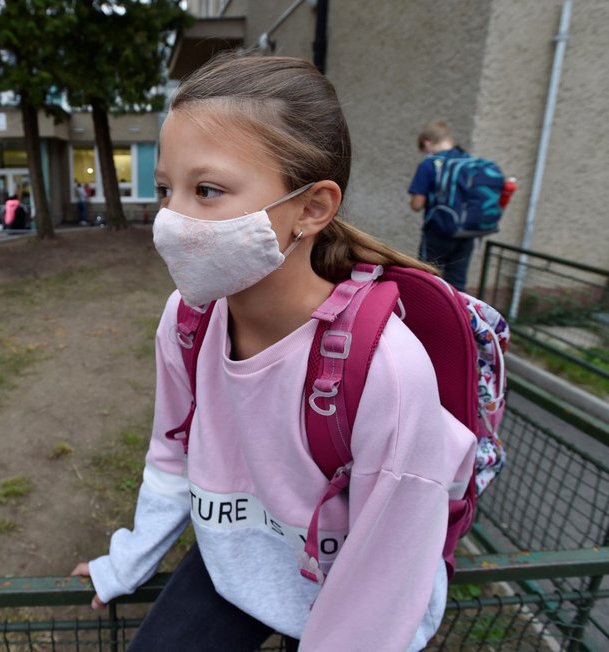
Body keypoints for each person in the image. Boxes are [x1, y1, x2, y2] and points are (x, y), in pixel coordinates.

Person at [70, 53, 475, 651]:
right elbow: (171, 450)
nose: (171, 220)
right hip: (235, 560)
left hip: (354, 588)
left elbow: (385, 575)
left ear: (312, 208)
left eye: (207, 190)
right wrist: (127, 561)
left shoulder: (386, 369)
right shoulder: (188, 318)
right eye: (165, 190)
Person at [408, 120, 475, 292]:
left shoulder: (429, 164)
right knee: (458, 284)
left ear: (427, 143)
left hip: (438, 232)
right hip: (467, 231)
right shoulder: (469, 161)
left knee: (428, 279)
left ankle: (427, 317)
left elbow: (417, 204)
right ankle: (458, 317)